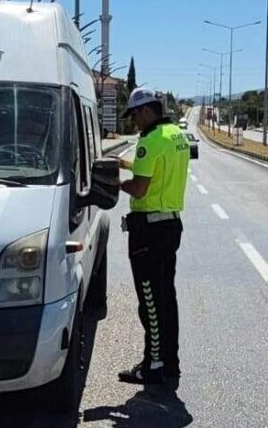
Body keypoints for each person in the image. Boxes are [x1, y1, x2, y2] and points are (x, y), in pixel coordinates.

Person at [116, 88, 190, 386]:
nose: (133, 121)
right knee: (166, 298)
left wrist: (115, 182)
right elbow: (157, 171)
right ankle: (169, 362)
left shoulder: (149, 140)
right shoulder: (176, 135)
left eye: (134, 114)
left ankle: (153, 366)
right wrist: (126, 165)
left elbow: (140, 189)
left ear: (147, 111)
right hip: (170, 226)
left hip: (149, 230)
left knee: (149, 302)